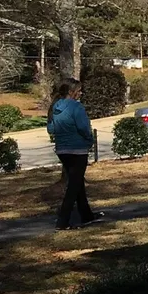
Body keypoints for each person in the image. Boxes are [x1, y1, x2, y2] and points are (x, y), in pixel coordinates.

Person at [47, 80, 101, 230]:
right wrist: (89, 140)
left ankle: (86, 215)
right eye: (79, 90)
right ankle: (62, 222)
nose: (81, 93)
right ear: (72, 92)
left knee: (77, 183)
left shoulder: (54, 107)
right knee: (73, 186)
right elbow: (84, 127)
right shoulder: (76, 107)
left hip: (62, 150)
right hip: (78, 149)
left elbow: (51, 129)